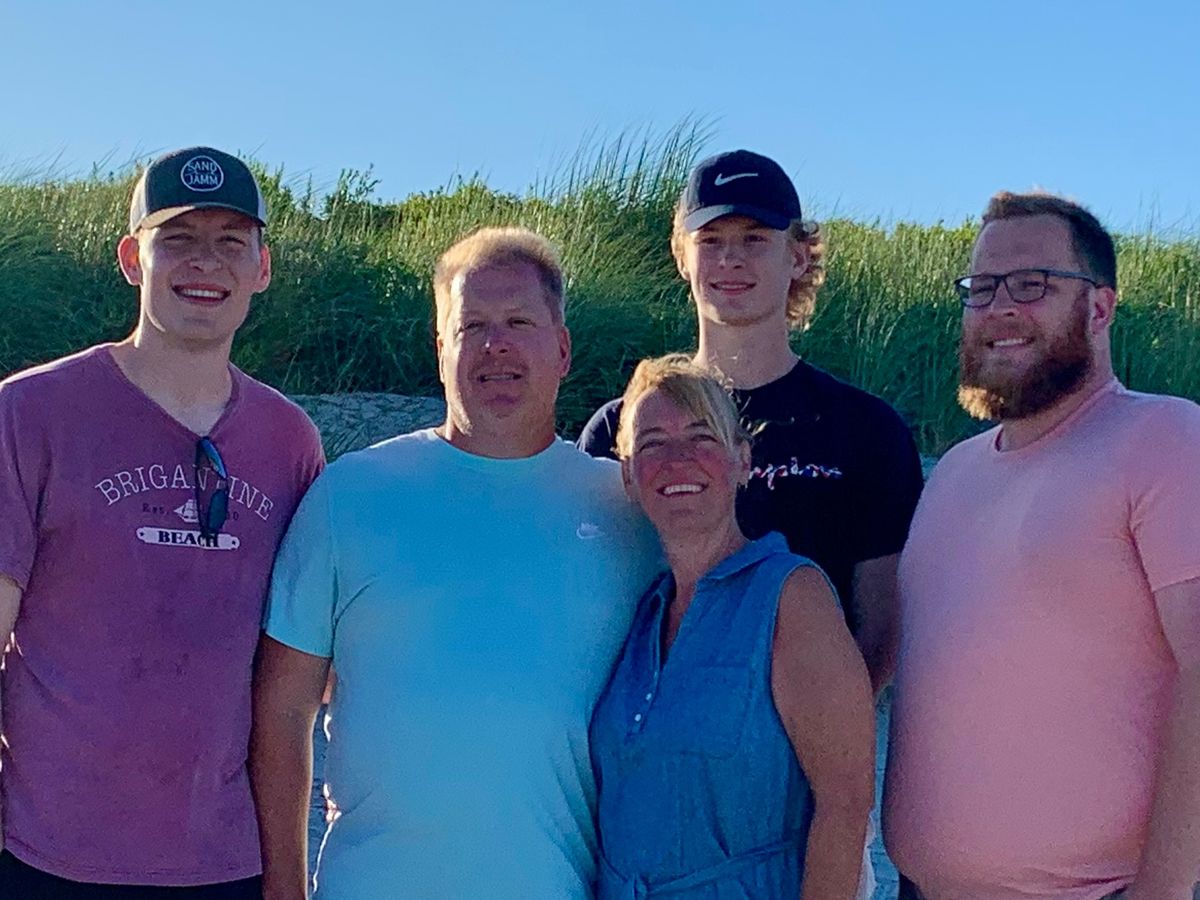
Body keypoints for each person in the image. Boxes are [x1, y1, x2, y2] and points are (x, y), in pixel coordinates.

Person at [250, 226, 660, 899]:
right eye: (472, 326)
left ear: (562, 348)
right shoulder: (350, 495)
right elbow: (282, 708)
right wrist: (284, 889)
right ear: (440, 350)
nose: (496, 344)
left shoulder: (626, 510)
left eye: (519, 322)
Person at [0, 146, 325, 898]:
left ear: (262, 268)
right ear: (131, 258)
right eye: (177, 239)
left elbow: (294, 683)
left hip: (221, 862)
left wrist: (286, 877)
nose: (204, 262)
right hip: (43, 856)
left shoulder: (289, 441)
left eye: (230, 243)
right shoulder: (30, 412)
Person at [884, 192, 1200, 900]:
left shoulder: (1164, 439)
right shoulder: (953, 474)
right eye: (981, 287)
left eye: (1032, 284)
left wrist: (1164, 889)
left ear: (1100, 308)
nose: (1000, 308)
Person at [578, 149, 924, 693]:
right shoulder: (620, 429)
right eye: (710, 240)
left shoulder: (868, 432)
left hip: (799, 734)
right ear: (681, 256)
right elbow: (592, 602)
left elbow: (881, 627)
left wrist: (818, 730)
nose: (730, 259)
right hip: (646, 730)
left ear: (799, 257)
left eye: (755, 239)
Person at [590, 354, 875, 898]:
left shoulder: (791, 597)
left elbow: (845, 804)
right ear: (627, 475)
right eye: (652, 443)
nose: (678, 460)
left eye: (702, 437)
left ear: (743, 460)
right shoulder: (643, 613)